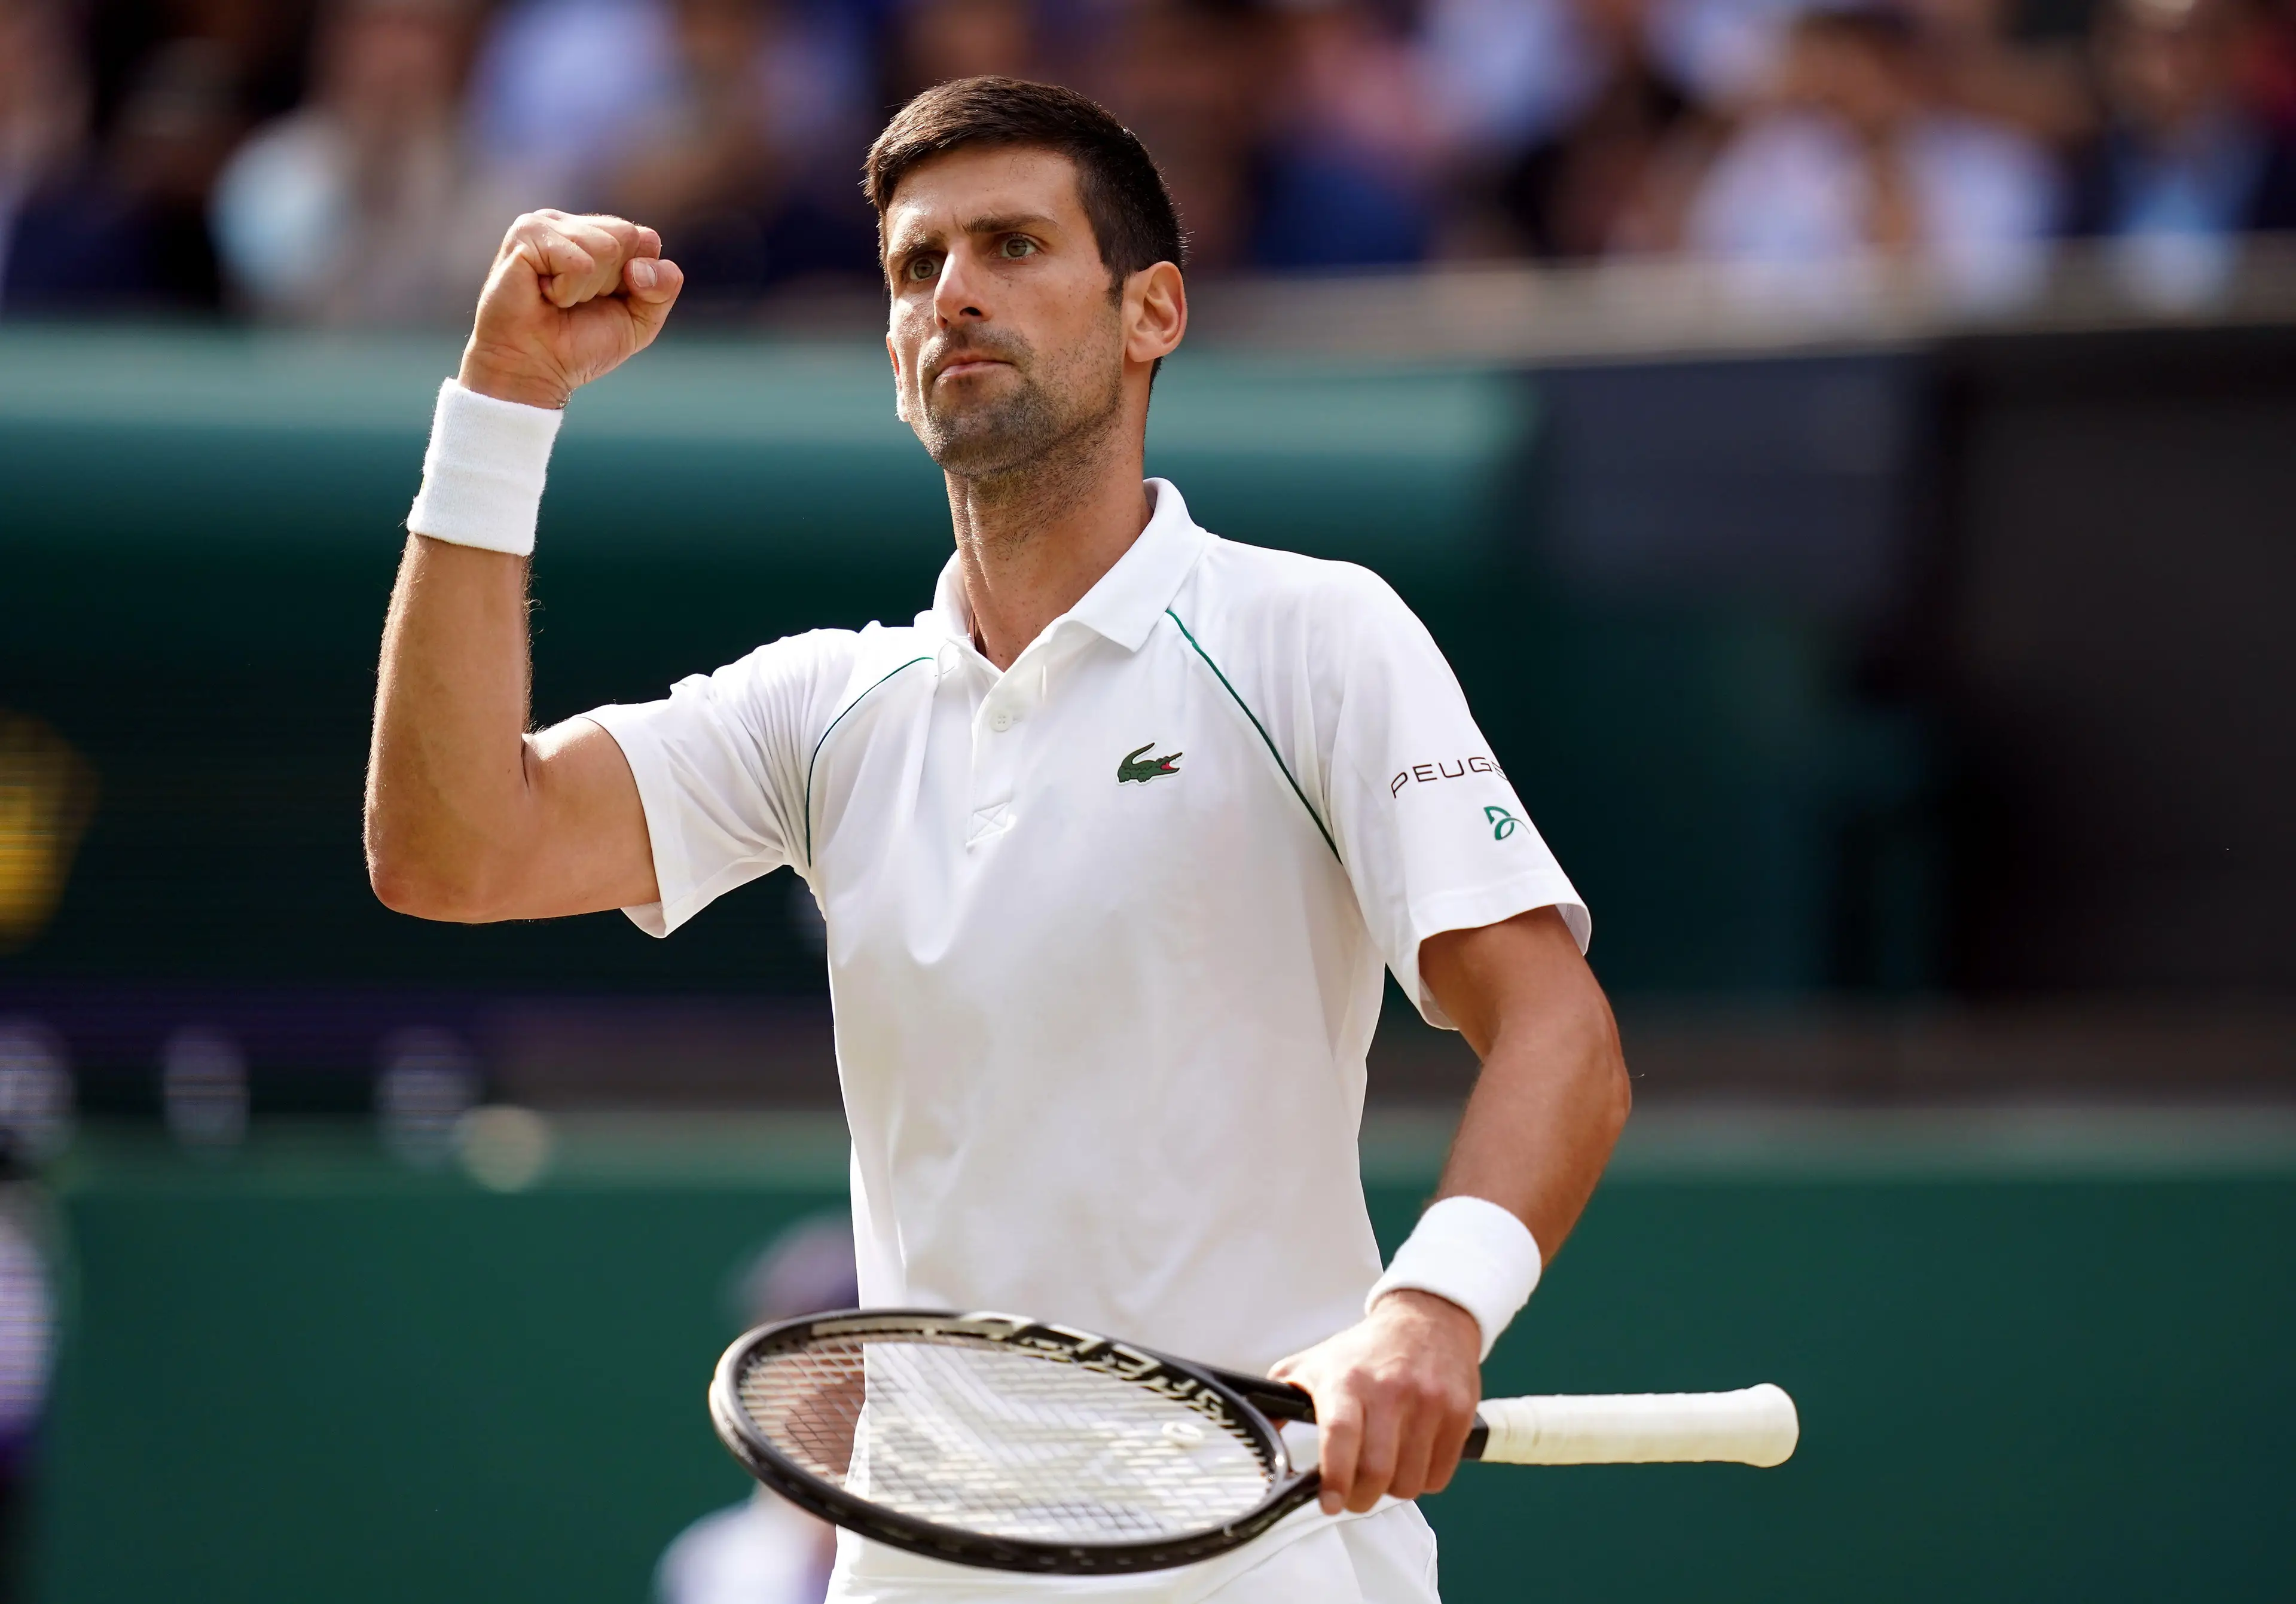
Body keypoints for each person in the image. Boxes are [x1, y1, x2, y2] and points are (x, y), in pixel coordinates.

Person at [365, 76, 1630, 1603]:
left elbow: (1558, 1031)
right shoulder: (825, 706)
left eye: (1014, 245)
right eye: (917, 267)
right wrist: (501, 405)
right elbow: (450, 851)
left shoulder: (1317, 634)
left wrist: (1433, 1311)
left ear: (1152, 309)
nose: (954, 292)